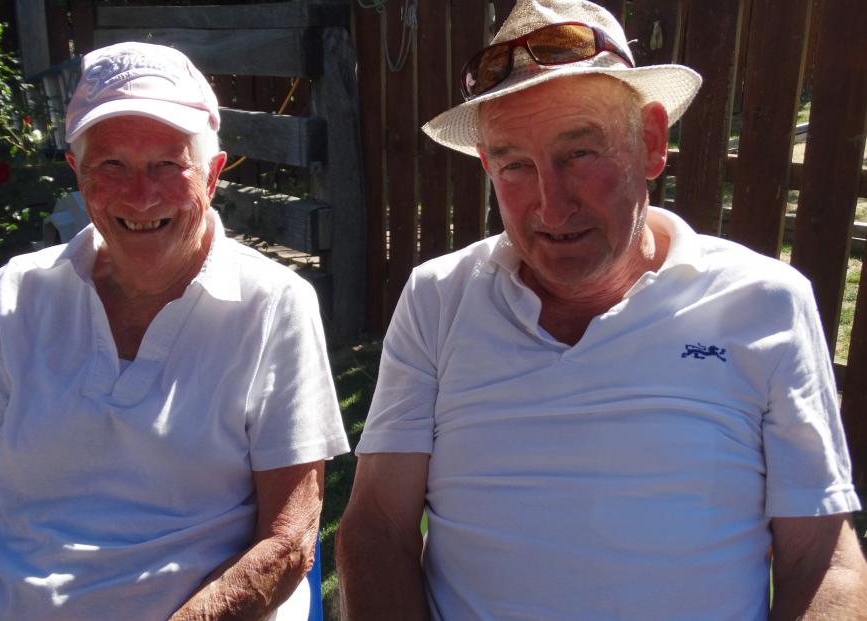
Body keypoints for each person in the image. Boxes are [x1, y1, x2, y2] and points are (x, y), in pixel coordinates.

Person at [336, 1, 867, 619]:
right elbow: (375, 526)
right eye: (514, 166)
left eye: (580, 154)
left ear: (651, 141)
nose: (551, 208)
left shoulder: (766, 302)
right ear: (486, 165)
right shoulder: (439, 298)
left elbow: (824, 560)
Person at [0, 42, 349, 621]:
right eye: (111, 165)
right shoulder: (17, 294)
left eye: (167, 165)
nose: (140, 195)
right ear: (77, 173)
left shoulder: (272, 304)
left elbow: (289, 539)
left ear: (213, 175)